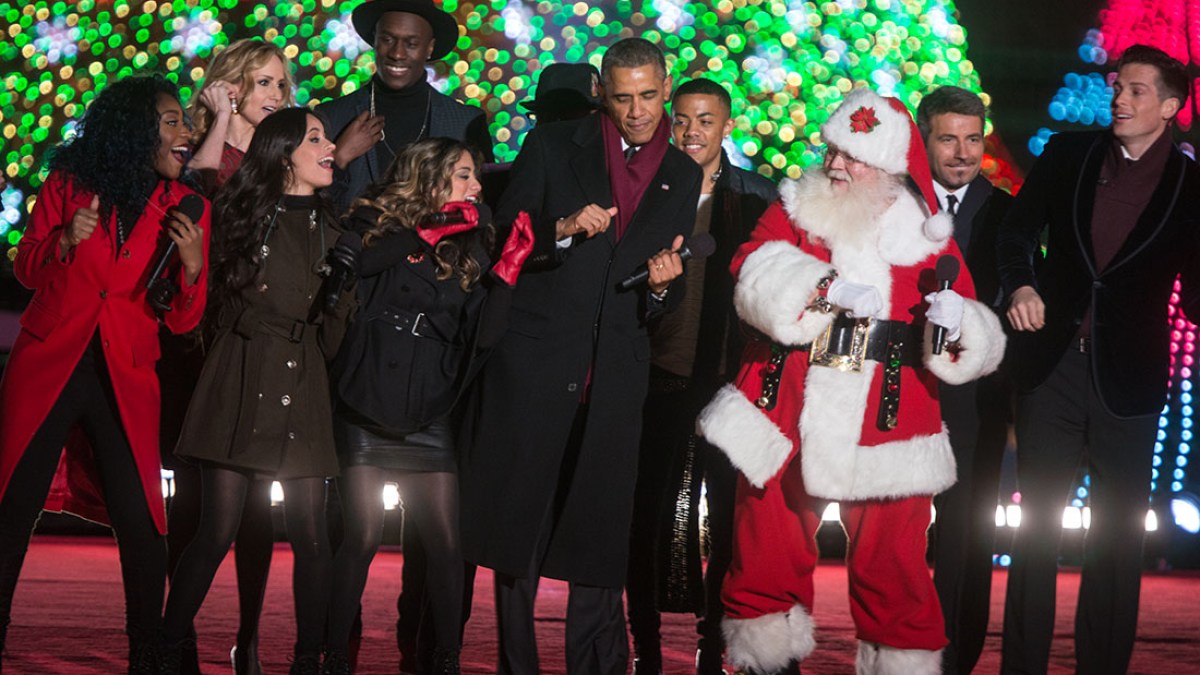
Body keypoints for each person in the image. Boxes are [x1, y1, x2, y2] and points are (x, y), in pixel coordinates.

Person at [696, 87, 1006, 675]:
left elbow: (973, 326)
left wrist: (958, 322)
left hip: (890, 413)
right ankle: (766, 664)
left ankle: (902, 664)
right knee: (765, 547)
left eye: (852, 157)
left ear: (888, 168)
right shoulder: (795, 204)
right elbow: (750, 266)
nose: (835, 165)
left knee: (895, 565)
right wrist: (822, 288)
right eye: (833, 150)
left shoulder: (928, 231)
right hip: (787, 402)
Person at [458, 37, 702, 674]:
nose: (638, 110)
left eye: (649, 95)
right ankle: (519, 664)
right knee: (521, 524)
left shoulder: (684, 171)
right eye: (623, 98)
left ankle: (595, 665)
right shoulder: (550, 145)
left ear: (665, 85)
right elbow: (504, 240)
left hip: (617, 376)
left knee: (599, 527)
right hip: (536, 364)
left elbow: (661, 299)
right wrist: (561, 230)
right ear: (603, 93)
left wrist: (662, 286)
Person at [997, 44, 1200, 675]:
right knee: (1035, 536)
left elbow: (1194, 293)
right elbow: (1017, 231)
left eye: (1139, 91)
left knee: (1116, 544)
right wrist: (1021, 283)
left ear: (1169, 107)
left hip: (1132, 380)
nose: (1120, 98)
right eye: (1119, 86)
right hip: (1051, 368)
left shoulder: (1192, 186)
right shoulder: (1070, 154)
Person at [0, 74, 208, 672]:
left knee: (143, 521)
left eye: (184, 123)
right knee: (13, 506)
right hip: (49, 362)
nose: (185, 135)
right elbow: (27, 271)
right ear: (135, 129)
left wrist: (192, 266)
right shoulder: (69, 183)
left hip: (126, 370)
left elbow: (183, 319)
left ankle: (148, 654)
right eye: (172, 122)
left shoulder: (190, 207)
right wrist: (64, 239)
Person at [322, 137, 533, 675]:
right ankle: (327, 657)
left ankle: (445, 658)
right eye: (465, 175)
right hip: (367, 398)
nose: (477, 187)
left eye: (476, 177)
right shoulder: (376, 217)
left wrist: (506, 274)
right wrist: (422, 230)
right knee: (362, 536)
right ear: (434, 179)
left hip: (427, 410)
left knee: (445, 546)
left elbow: (483, 338)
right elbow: (360, 266)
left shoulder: (470, 245)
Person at [159, 108, 353, 674]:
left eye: (326, 138)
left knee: (312, 534)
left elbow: (336, 340)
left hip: (303, 378)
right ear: (283, 153)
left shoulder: (336, 232)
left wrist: (343, 295)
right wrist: (196, 265)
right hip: (243, 371)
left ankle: (307, 659)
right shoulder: (242, 217)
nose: (329, 148)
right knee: (217, 528)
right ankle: (165, 647)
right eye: (314, 138)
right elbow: (207, 307)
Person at [624, 77, 777, 675]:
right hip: (655, 378)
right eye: (682, 119)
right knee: (647, 518)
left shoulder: (758, 197)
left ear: (727, 125)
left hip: (730, 383)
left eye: (705, 120)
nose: (692, 131)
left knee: (731, 523)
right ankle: (646, 648)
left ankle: (713, 646)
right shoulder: (647, 191)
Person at [160, 38, 296, 675]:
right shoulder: (204, 146)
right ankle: (176, 639)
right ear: (234, 86)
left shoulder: (278, 161)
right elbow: (199, 195)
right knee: (198, 503)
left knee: (255, 505)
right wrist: (218, 120)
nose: (277, 97)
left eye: (281, 87)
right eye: (265, 83)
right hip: (195, 340)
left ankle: (249, 638)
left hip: (253, 338)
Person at [916, 85, 1013, 675]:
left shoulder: (1007, 212)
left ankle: (956, 655)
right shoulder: (895, 205)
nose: (962, 152)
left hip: (977, 397)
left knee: (967, 532)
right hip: (904, 388)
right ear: (924, 138)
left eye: (972, 139)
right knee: (894, 528)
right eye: (948, 138)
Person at [316, 0, 493, 216]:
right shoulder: (332, 117)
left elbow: (483, 208)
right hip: (352, 247)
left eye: (411, 43)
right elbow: (310, 212)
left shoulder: (465, 123)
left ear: (429, 47)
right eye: (387, 39)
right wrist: (340, 159)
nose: (397, 53)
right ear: (374, 40)